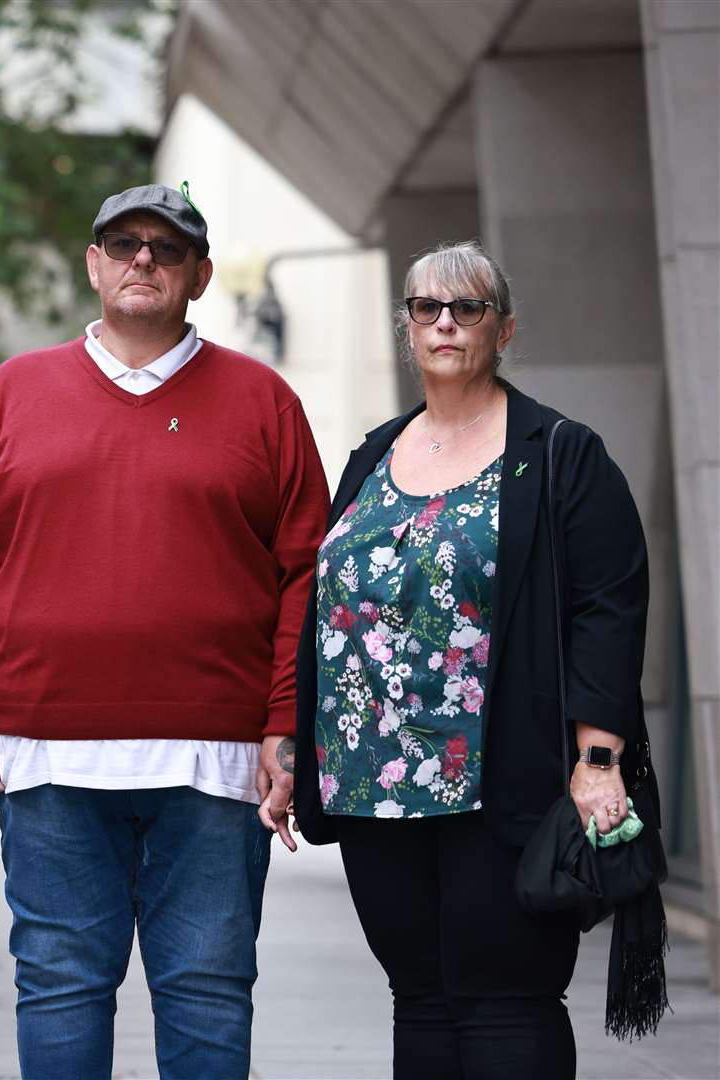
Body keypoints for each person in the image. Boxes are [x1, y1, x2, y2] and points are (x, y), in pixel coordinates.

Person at [0, 183, 329, 1079]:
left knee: (210, 989)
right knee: (59, 986)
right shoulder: (11, 393)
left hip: (213, 766)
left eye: (167, 248)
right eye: (124, 243)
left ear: (201, 275)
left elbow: (307, 573)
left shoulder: (264, 402)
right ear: (94, 264)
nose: (144, 259)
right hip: (49, 759)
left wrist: (285, 727)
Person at [279, 241, 661, 1077]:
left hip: (502, 779)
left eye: (468, 308)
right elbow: (325, 604)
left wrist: (600, 759)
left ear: (505, 328)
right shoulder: (374, 455)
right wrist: (294, 746)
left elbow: (609, 609)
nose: (445, 322)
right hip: (373, 786)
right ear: (406, 330)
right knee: (418, 994)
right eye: (426, 308)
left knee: (505, 997)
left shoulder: (561, 453)